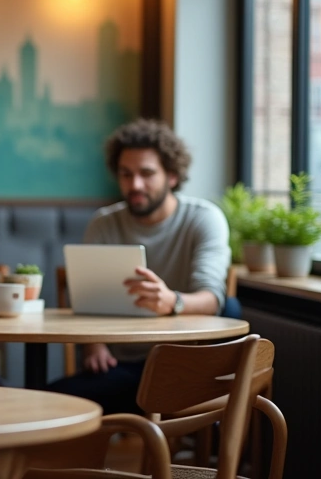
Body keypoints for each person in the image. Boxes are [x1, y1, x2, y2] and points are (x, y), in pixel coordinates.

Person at [47, 119, 230, 415]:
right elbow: (84, 301)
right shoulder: (104, 223)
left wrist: (173, 301)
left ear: (172, 175)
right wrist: (94, 347)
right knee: (48, 400)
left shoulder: (203, 219)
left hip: (180, 363)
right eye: (126, 174)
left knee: (231, 309)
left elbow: (213, 299)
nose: (135, 185)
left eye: (147, 174)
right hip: (119, 365)